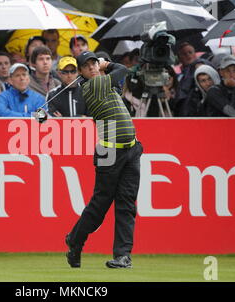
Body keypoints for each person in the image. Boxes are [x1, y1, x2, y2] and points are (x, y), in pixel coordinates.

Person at [64, 51, 143, 269]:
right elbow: (122, 70)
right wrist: (106, 64)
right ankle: (75, 241)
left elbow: (121, 80)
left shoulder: (108, 86)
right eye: (87, 66)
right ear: (81, 73)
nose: (92, 68)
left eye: (93, 64)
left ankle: (123, 256)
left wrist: (103, 66)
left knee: (126, 204)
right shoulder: (91, 87)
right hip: (109, 153)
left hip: (131, 149)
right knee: (99, 206)